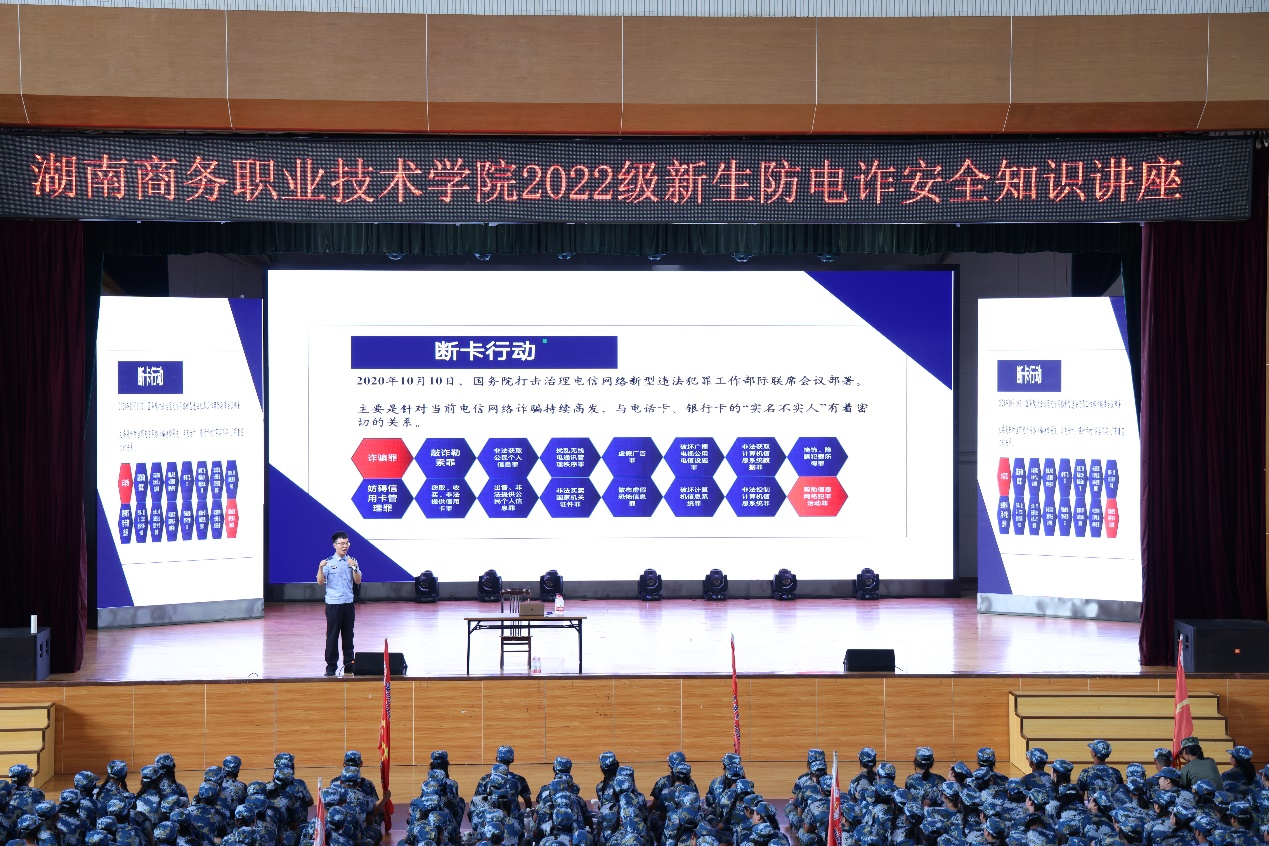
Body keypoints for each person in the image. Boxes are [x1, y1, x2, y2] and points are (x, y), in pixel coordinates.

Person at [318, 531, 361, 676]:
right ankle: (331, 666)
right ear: (335, 545)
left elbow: (358, 580)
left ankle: (349, 665)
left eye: (347, 543)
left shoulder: (351, 561)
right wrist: (320, 568)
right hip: (334, 603)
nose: (345, 546)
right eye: (342, 543)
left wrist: (355, 567)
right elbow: (320, 581)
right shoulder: (328, 562)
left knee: (348, 635)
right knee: (333, 635)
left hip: (348, 603)